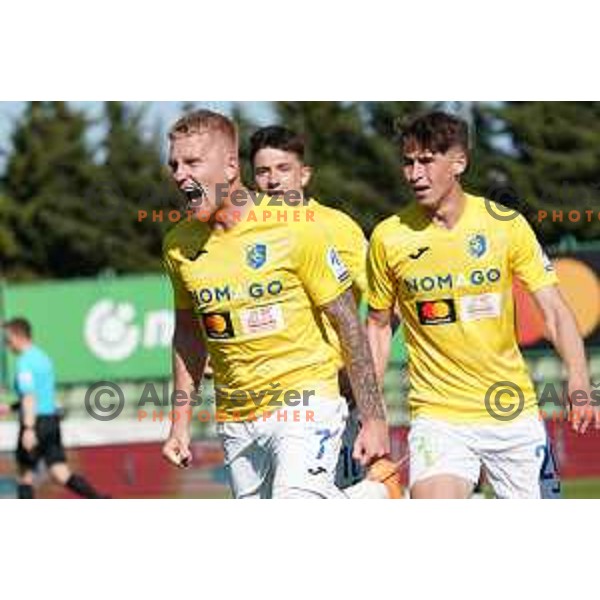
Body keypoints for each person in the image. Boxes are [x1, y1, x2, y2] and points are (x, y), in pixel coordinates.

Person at [161, 109, 400, 499]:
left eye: (192, 162)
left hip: (307, 402)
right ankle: (372, 498)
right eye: (174, 164)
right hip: (236, 418)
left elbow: (347, 322)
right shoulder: (177, 246)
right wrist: (180, 422)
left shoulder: (296, 226)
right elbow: (188, 335)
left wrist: (373, 417)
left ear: (228, 166)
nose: (179, 175)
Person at [366, 111, 597, 499]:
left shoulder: (505, 225)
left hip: (512, 413)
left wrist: (578, 378)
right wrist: (372, 412)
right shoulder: (389, 238)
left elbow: (554, 310)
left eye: (426, 161)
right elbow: (377, 326)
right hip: (439, 416)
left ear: (459, 162)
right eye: (408, 162)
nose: (414, 174)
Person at [249, 125, 367, 488]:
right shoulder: (243, 233)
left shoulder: (337, 227)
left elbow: (384, 304)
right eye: (263, 172)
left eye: (283, 169)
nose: (272, 181)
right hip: (261, 398)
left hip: (327, 393)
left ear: (305, 174)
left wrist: (359, 370)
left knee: (324, 493)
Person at [3, 318, 108, 499]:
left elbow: (29, 397)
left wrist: (28, 429)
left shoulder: (24, 363)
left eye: (8, 339)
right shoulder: (43, 358)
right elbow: (40, 395)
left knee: (25, 476)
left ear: (18, 336)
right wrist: (11, 406)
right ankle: (100, 500)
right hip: (51, 421)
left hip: (34, 422)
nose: (6, 344)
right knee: (60, 472)